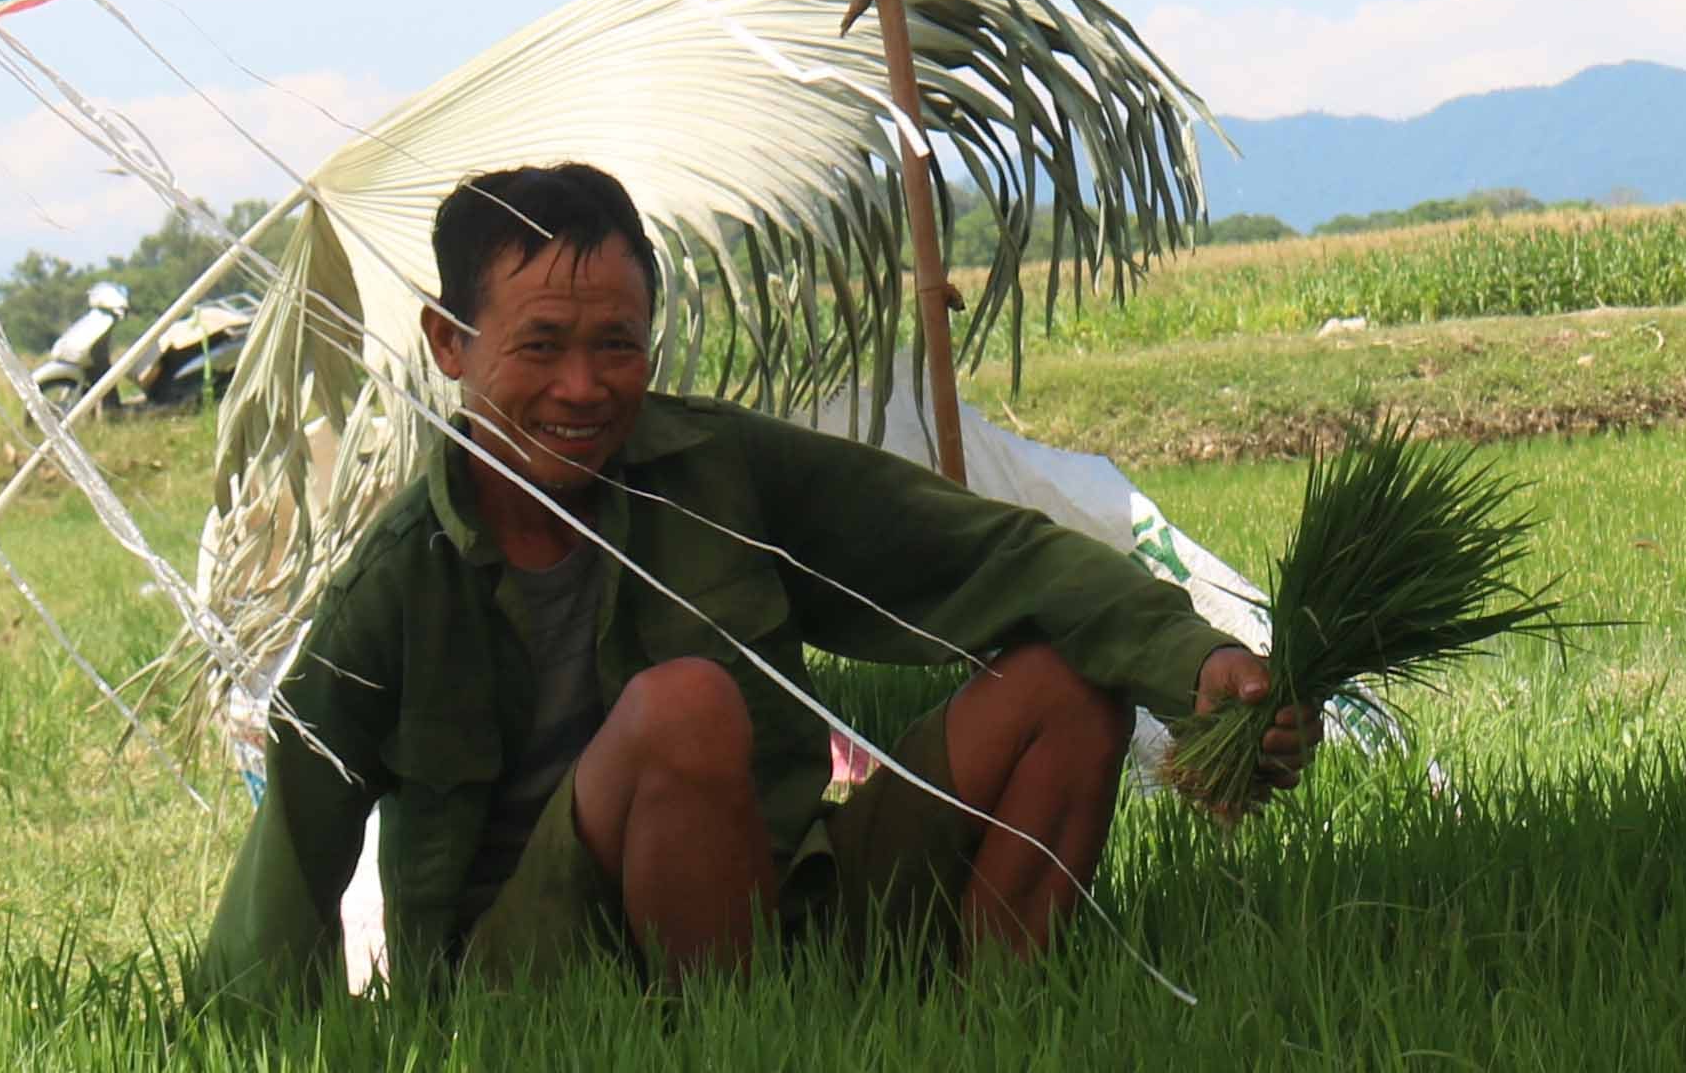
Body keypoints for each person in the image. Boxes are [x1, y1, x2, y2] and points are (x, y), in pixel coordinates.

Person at [193, 160, 1310, 1004]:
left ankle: (990, 1039)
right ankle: (749, 1056)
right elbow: (295, 838)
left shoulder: (717, 470)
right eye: (538, 347)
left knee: (1068, 682)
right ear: (449, 343)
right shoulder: (399, 583)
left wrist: (1196, 662)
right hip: (539, 975)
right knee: (683, 705)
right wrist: (251, 1061)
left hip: (780, 893)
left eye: (617, 344)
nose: (582, 386)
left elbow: (990, 558)